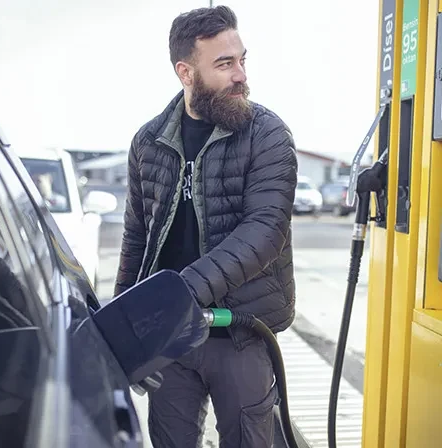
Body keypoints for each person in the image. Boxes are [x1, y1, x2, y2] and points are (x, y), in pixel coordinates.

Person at [114, 5, 298, 447]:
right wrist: (125, 325)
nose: (240, 75)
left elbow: (265, 230)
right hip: (171, 341)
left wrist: (181, 293)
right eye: (224, 63)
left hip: (241, 334)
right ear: (186, 72)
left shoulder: (267, 134)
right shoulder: (149, 141)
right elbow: (137, 236)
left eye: (241, 59)